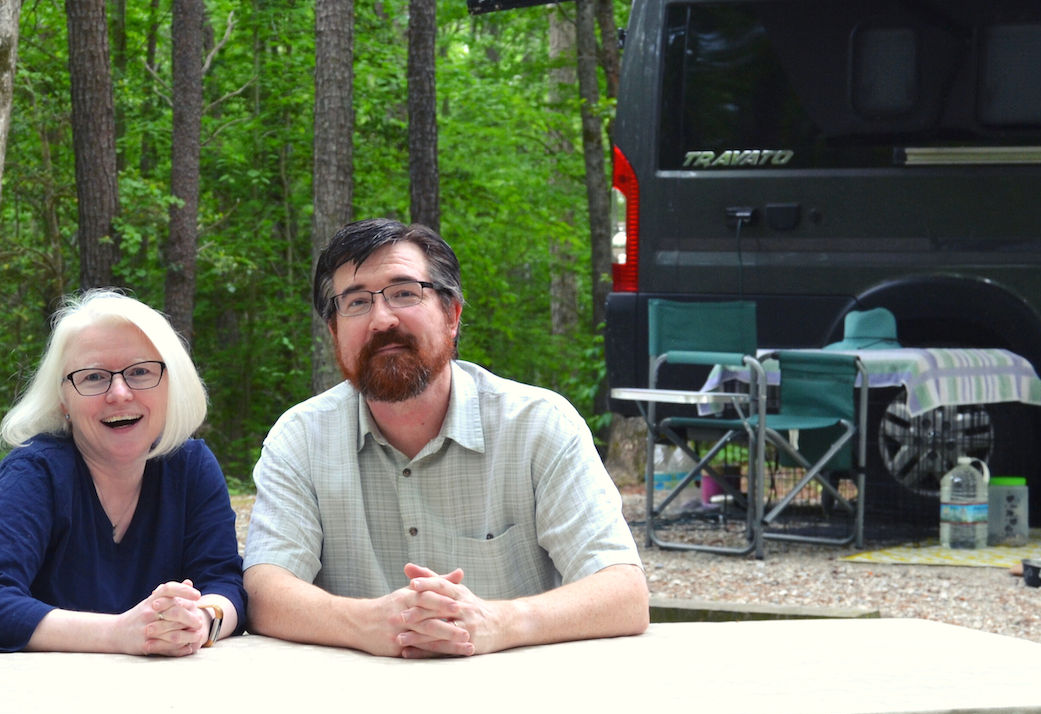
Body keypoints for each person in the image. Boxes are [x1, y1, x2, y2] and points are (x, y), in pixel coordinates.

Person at [244, 219, 648, 658]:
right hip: (354, 705)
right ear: (334, 333)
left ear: (452, 315)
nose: (382, 319)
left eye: (404, 293)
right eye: (356, 302)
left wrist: (498, 622)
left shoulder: (540, 426)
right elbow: (266, 590)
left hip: (522, 703)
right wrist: (367, 624)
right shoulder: (299, 439)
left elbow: (623, 592)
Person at [0, 290, 246, 655]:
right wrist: (118, 633)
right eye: (94, 377)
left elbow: (225, 582)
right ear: (63, 399)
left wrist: (200, 621)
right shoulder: (33, 475)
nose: (119, 393)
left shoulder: (191, 466)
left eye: (140, 372)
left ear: (169, 384)